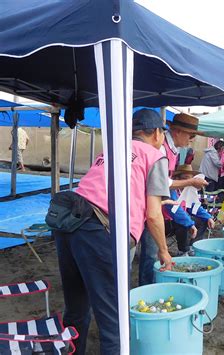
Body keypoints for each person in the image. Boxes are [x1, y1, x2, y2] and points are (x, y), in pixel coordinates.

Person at [50, 109, 173, 354]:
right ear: (157, 133)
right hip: (99, 230)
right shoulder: (155, 155)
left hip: (68, 223)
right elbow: (153, 214)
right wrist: (164, 251)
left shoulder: (111, 149)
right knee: (113, 321)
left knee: (76, 309)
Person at [139, 113, 208, 286]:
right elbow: (164, 184)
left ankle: (149, 285)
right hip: (148, 207)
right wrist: (191, 181)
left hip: (156, 206)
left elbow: (167, 188)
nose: (191, 140)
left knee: (152, 252)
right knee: (151, 253)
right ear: (176, 132)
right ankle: (146, 287)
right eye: (190, 136)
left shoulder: (172, 151)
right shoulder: (161, 148)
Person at [163, 165, 215, 256]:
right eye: (186, 179)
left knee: (203, 220)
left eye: (191, 179)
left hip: (177, 221)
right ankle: (183, 251)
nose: (189, 183)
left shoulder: (186, 191)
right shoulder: (171, 191)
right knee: (183, 223)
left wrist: (208, 217)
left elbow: (194, 206)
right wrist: (190, 223)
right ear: (176, 178)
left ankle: (193, 246)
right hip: (165, 223)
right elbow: (175, 211)